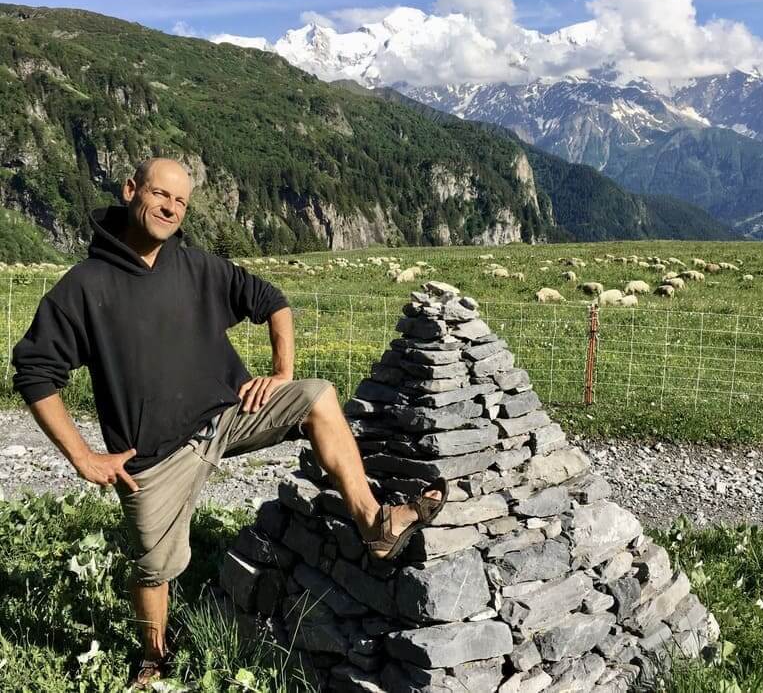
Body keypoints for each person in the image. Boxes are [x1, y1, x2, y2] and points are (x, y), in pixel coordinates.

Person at [11, 157, 447, 689]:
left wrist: (281, 372)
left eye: (181, 202)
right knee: (155, 568)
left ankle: (373, 523)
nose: (171, 208)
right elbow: (34, 372)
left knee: (318, 396)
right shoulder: (84, 286)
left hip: (228, 416)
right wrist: (82, 456)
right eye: (161, 195)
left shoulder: (196, 266)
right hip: (152, 458)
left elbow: (272, 301)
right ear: (130, 191)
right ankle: (154, 655)